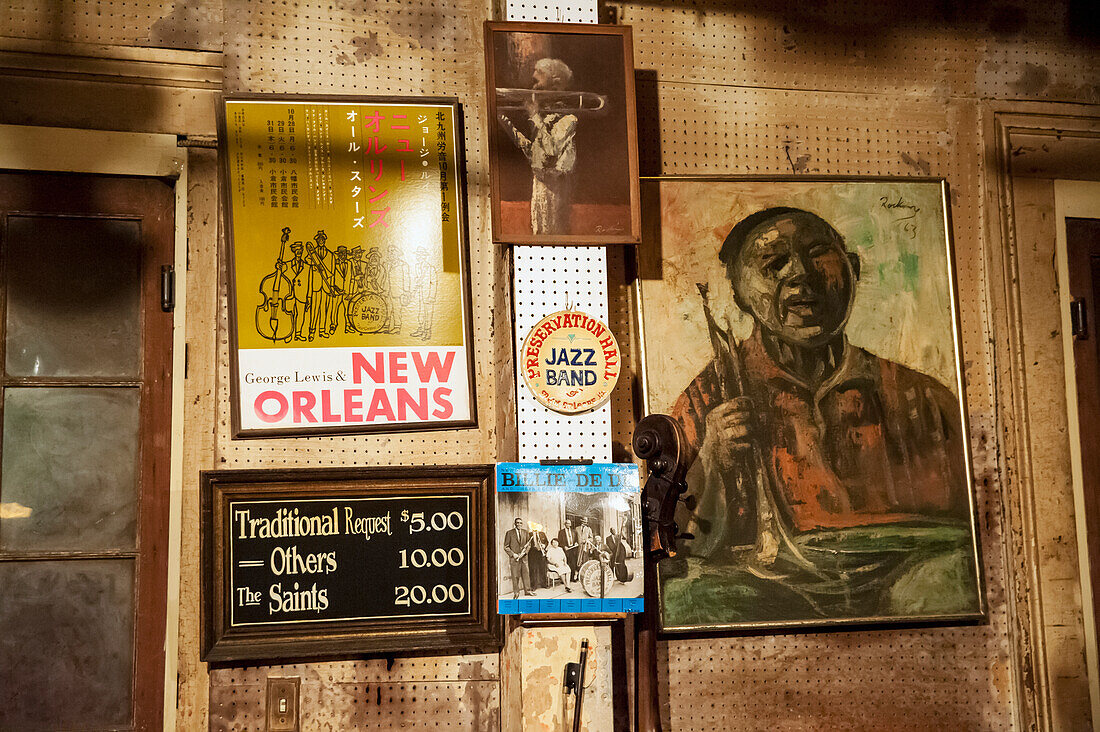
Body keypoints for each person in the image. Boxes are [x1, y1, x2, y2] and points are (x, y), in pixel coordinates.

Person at [668, 206, 978, 620]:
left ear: (851, 269)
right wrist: (710, 460)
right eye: (773, 264)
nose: (800, 274)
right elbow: (672, 543)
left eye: (817, 254)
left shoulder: (924, 399)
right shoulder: (707, 400)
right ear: (740, 294)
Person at [497, 58, 578, 236]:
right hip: (540, 185)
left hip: (555, 189)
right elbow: (530, 150)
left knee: (554, 232)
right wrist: (502, 120)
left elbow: (550, 150)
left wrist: (534, 115)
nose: (533, 86)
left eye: (538, 79)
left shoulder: (568, 119)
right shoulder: (542, 119)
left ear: (556, 84)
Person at [503, 518, 534, 599]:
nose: (519, 524)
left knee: (526, 575)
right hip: (515, 558)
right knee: (515, 576)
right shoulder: (509, 533)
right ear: (515, 524)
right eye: (517, 523)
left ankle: (527, 591)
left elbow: (529, 545)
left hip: (524, 558)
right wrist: (513, 554)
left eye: (521, 523)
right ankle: (516, 593)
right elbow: (506, 546)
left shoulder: (525, 532)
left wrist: (525, 552)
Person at [527, 524, 549, 590]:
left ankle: (544, 584)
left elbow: (546, 542)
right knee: (533, 569)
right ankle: (533, 586)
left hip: (541, 553)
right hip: (532, 553)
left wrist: (544, 545)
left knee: (543, 568)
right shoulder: (529, 534)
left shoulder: (542, 533)